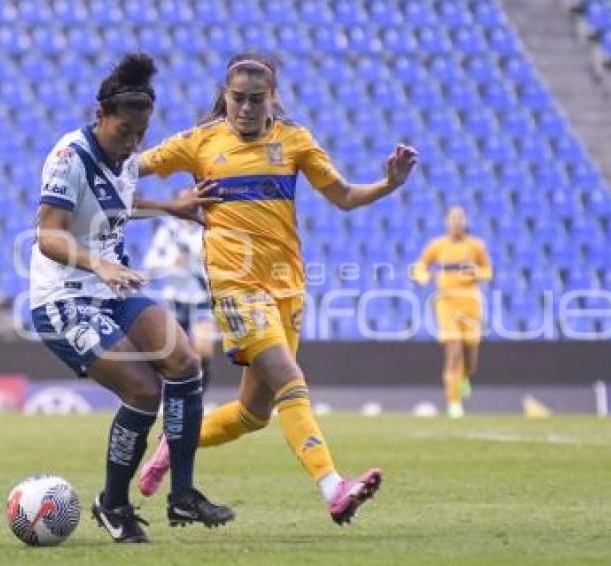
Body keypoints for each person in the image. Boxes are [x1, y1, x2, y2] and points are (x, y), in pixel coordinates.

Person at [135, 52, 418, 525]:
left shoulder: (294, 141)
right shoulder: (199, 142)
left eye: (255, 99)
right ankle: (334, 487)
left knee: (253, 414)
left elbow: (344, 196)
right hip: (235, 288)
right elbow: (127, 170)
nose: (245, 108)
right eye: (238, 98)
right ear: (225, 97)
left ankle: (175, 440)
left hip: (286, 289)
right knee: (291, 379)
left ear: (272, 99)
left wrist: (388, 185)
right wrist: (167, 205)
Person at [29, 52, 234, 543]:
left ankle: (182, 494)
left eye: (141, 134)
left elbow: (118, 201)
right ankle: (114, 504)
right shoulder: (69, 156)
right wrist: (99, 263)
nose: (133, 142)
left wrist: (170, 206)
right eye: (124, 131)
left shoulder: (124, 156)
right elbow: (48, 235)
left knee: (184, 360)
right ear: (100, 116)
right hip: (64, 299)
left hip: (113, 288)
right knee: (144, 391)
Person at [413, 206, 492, 419]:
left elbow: (488, 271)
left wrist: (477, 272)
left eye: (460, 219)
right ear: (447, 222)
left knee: (470, 355)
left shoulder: (476, 246)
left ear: (465, 222)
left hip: (470, 303)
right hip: (447, 302)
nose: (457, 222)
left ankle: (465, 377)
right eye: (453, 219)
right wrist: (422, 276)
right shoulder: (437, 246)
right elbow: (420, 266)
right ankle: (453, 403)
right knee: (454, 349)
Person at [143, 214, 217, 390]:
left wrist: (195, 263)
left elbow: (215, 265)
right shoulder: (169, 230)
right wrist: (171, 262)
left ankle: (200, 398)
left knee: (204, 348)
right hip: (174, 299)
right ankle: (167, 396)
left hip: (200, 298)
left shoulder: (207, 231)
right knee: (172, 353)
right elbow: (150, 264)